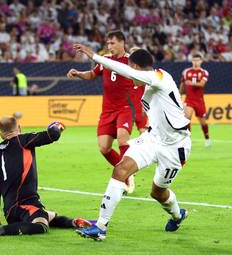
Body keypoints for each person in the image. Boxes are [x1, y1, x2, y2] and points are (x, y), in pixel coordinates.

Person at [73, 44, 191, 241]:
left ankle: (178, 215)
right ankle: (100, 227)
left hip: (175, 147)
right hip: (153, 139)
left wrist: (94, 56)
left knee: (158, 192)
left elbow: (124, 70)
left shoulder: (158, 78)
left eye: (131, 69)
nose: (128, 77)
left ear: (136, 68)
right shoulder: (148, 85)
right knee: (120, 170)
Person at [0, 117, 91, 238]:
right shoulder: (23, 140)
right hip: (26, 204)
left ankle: (75, 222)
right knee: (41, 225)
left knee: (47, 215)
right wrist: (58, 125)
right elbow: (53, 135)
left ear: (1, 135)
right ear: (19, 128)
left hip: (10, 212)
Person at [67, 30, 136, 193]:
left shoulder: (130, 61)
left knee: (122, 139)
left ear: (122, 43)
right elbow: (92, 74)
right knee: (104, 148)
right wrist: (78, 74)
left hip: (126, 108)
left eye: (112, 43)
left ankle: (126, 174)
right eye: (108, 43)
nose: (109, 46)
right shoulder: (105, 60)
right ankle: (128, 172)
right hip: (107, 111)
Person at [179, 54, 210, 147]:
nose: (195, 62)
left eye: (197, 60)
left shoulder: (204, 72)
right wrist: (179, 94)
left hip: (199, 100)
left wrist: (191, 83)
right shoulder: (186, 72)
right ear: (192, 61)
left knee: (203, 122)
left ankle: (207, 139)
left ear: (201, 61)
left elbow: (202, 84)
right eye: (194, 60)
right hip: (189, 99)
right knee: (187, 118)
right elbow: (183, 84)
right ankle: (188, 140)